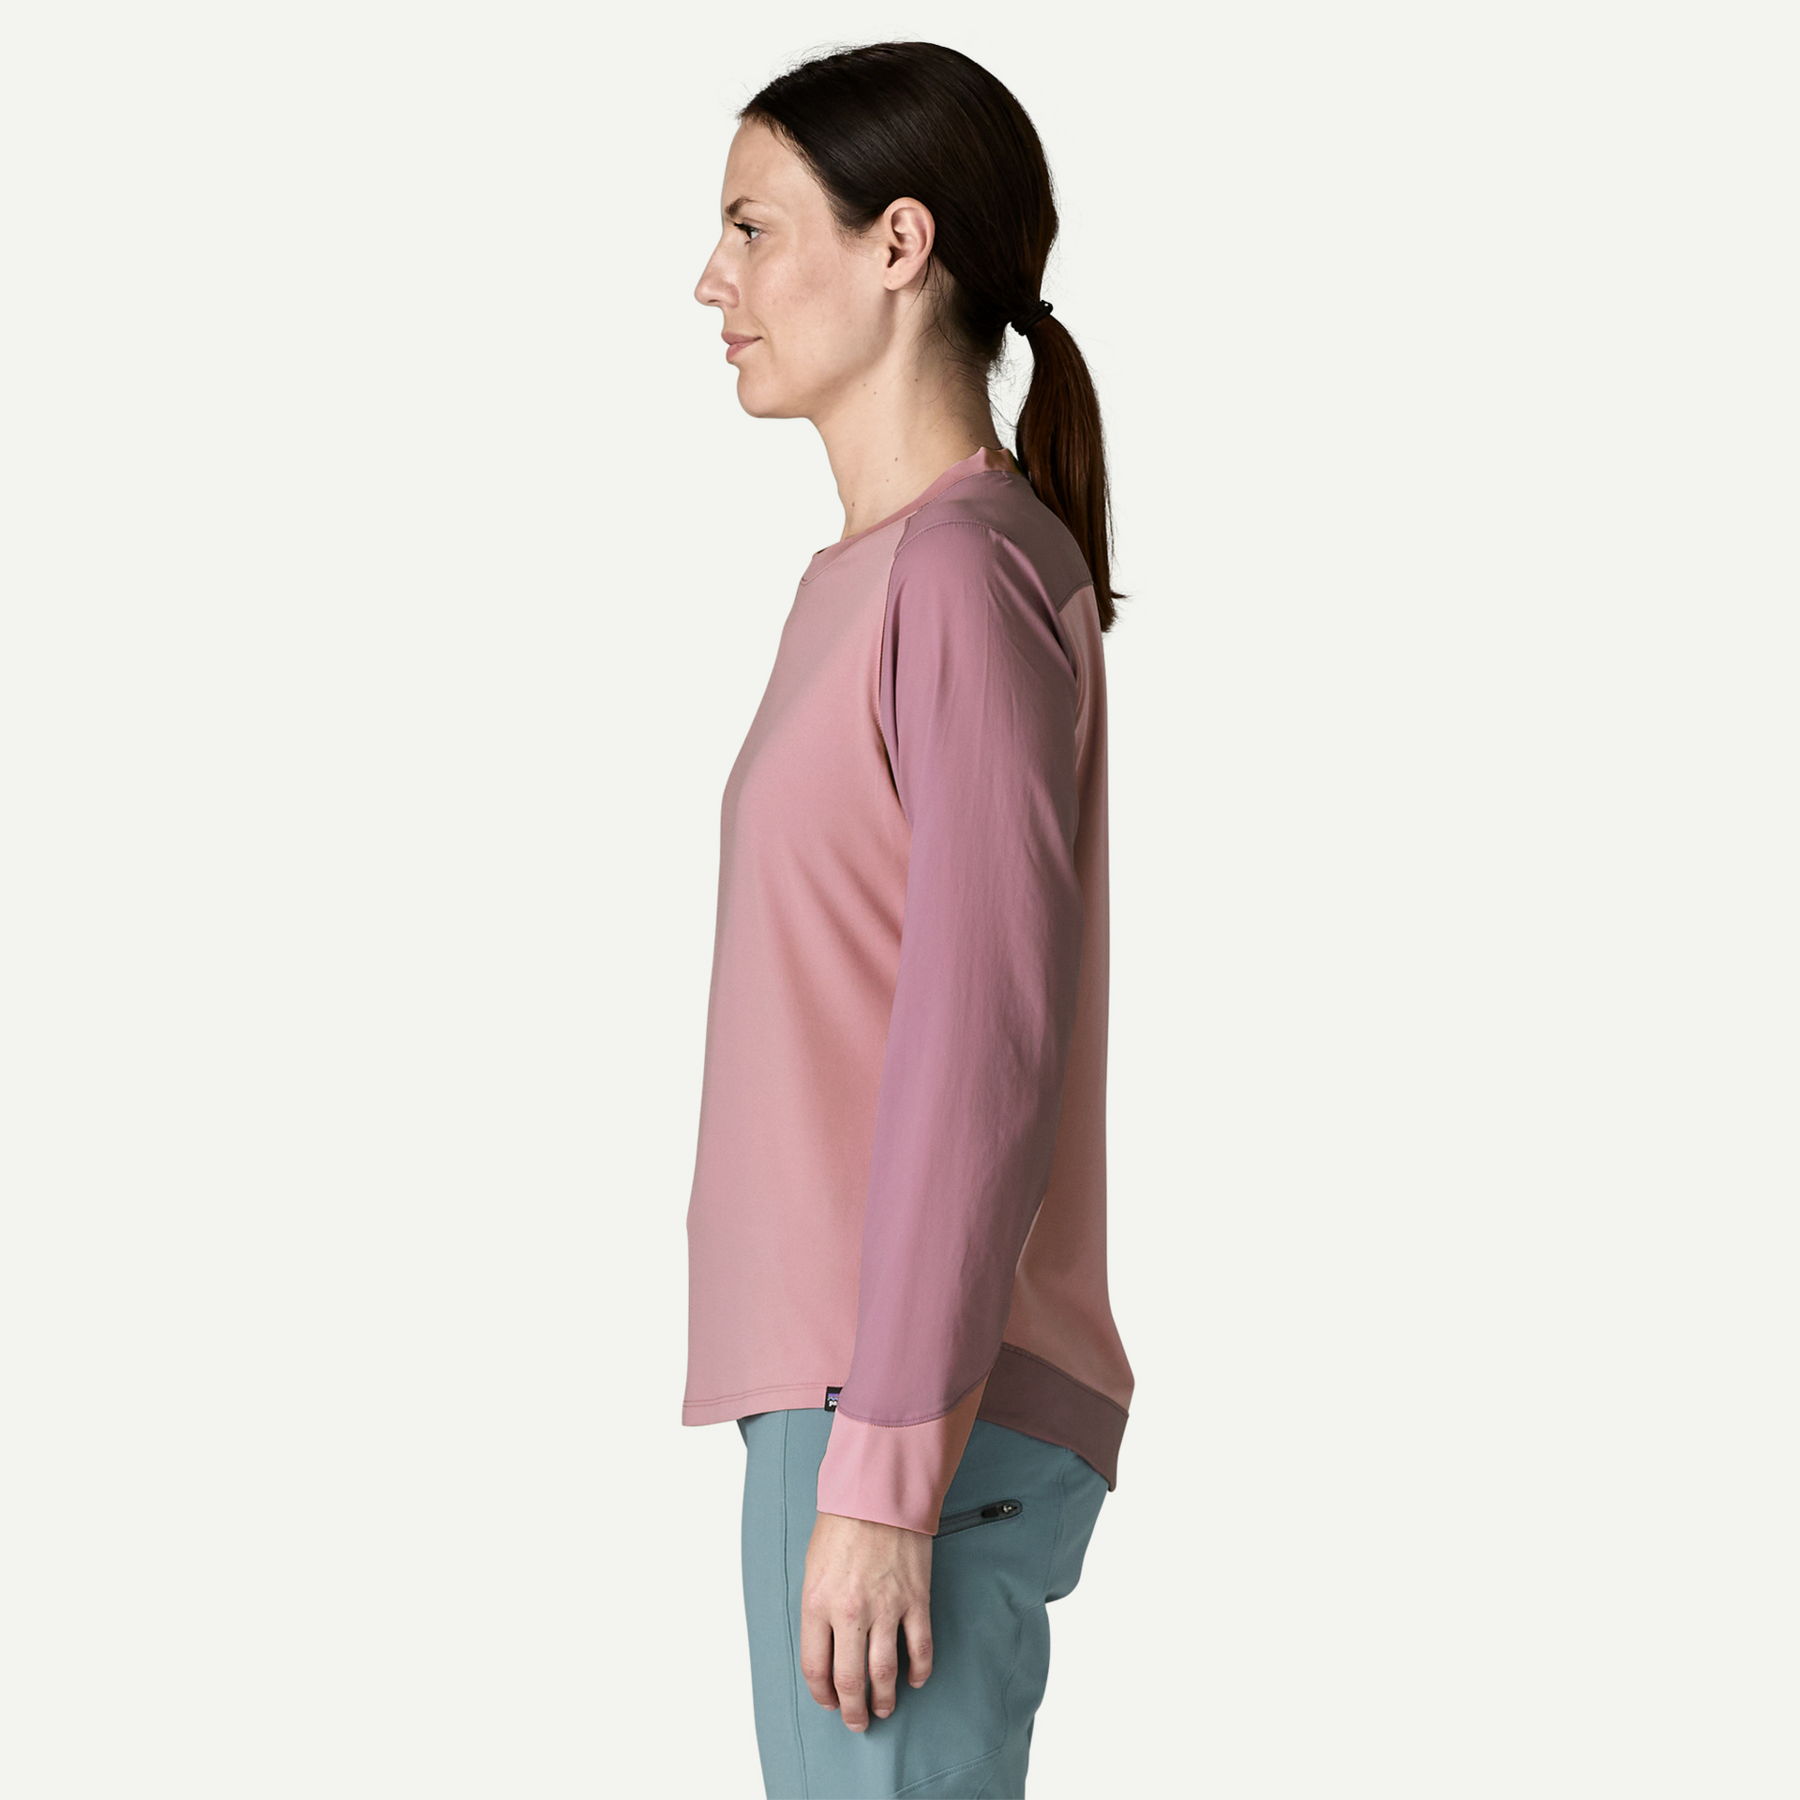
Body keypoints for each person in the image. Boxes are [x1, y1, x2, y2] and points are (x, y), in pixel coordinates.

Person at [684, 41, 1136, 1799]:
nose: (711, 279)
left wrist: (880, 1475)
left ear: (899, 244)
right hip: (863, 1399)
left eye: (752, 226)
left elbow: (980, 1047)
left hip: (893, 1410)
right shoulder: (893, 575)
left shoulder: (956, 571)